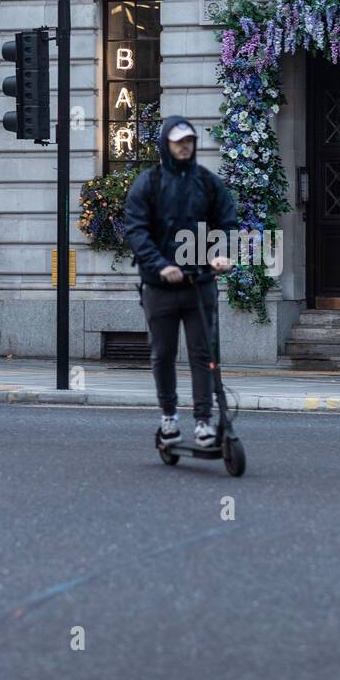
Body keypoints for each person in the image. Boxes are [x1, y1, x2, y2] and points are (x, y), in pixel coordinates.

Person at [123, 115, 238, 447]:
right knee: (163, 354)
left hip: (200, 283)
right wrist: (160, 265)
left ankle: (203, 421)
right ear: (166, 145)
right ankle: (169, 416)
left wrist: (221, 253)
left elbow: (226, 221)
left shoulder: (207, 181)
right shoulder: (149, 183)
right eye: (178, 141)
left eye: (189, 140)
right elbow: (137, 229)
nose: (184, 146)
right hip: (160, 286)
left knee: (203, 355)